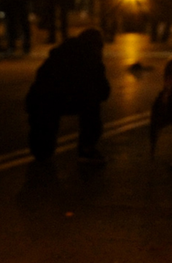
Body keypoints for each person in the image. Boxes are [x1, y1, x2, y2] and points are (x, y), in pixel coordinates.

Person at [25, 28, 111, 163]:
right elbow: (103, 91)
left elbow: (39, 82)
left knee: (44, 123)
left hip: (46, 99)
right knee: (91, 107)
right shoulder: (90, 61)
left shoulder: (58, 55)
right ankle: (86, 148)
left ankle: (42, 149)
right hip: (53, 98)